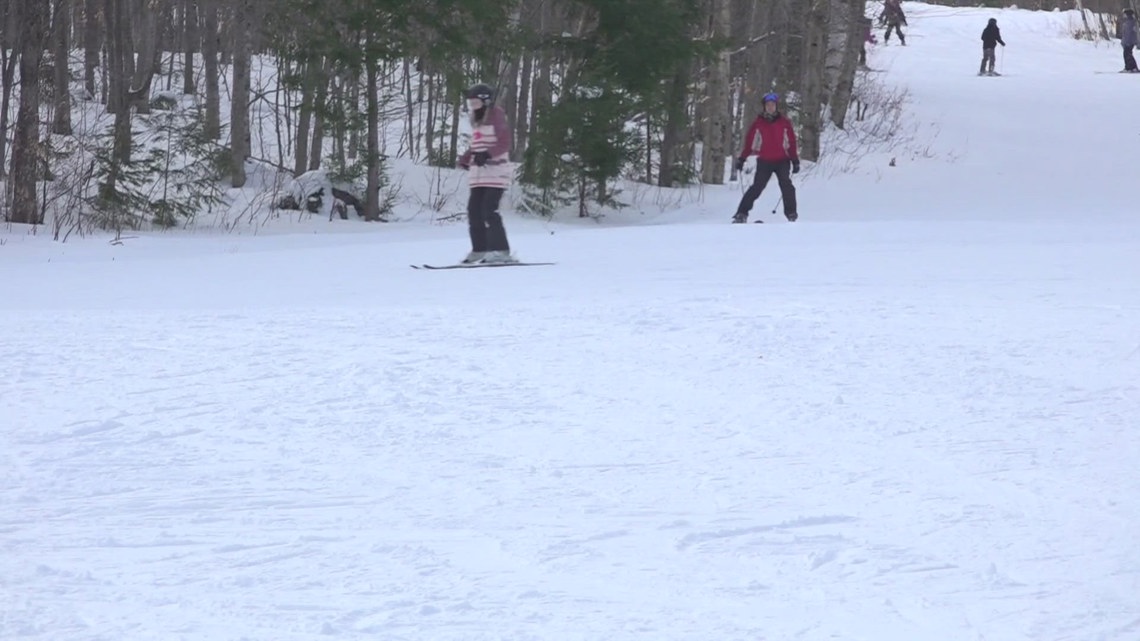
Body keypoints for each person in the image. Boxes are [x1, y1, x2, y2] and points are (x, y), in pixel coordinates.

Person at [457, 83, 514, 264]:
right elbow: (476, 145)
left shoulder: (496, 115)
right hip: (478, 175)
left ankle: (501, 250)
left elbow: (504, 142)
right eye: (470, 103)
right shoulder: (476, 120)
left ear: (486, 101)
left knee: (489, 210)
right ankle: (479, 249)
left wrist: (488, 154)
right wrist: (466, 159)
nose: (472, 107)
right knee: (474, 211)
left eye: (475, 103)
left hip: (496, 172)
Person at [732, 92, 799, 224]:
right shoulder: (758, 123)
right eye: (768, 105)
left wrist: (794, 160)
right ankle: (741, 213)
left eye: (772, 105)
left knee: (786, 186)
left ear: (776, 106)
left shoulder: (784, 122)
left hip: (782, 160)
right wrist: (742, 158)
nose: (770, 107)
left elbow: (791, 142)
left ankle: (791, 214)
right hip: (765, 161)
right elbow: (750, 142)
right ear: (764, 107)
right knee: (757, 187)